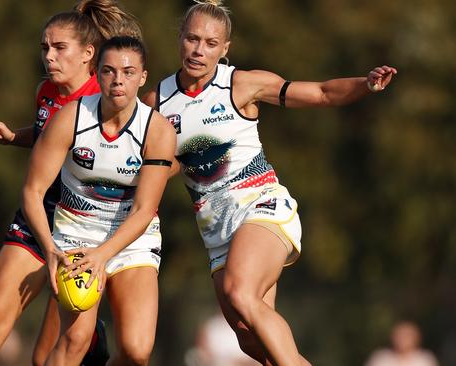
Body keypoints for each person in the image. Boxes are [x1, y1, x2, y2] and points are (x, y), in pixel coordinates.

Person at [142, 1, 397, 365]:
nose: (199, 50)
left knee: (239, 292)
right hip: (215, 230)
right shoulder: (157, 101)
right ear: (179, 38)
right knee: (251, 341)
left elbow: (322, 93)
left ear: (225, 49)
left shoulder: (242, 85)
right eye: (192, 38)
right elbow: (157, 167)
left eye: (211, 43)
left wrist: (366, 85)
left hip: (260, 206)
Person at [0, 2, 142, 365]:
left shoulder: (107, 97)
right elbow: (52, 141)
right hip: (38, 217)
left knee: (48, 356)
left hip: (86, 228)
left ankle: (91, 341)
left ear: (88, 54)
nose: (49, 56)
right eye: (45, 47)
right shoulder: (46, 91)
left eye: (60, 48)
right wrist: (14, 137)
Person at [21, 36, 175, 366]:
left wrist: (103, 256)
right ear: (98, 74)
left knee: (136, 351)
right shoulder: (71, 118)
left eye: (128, 72)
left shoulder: (157, 130)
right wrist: (50, 249)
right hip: (76, 236)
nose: (118, 80)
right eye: (108, 71)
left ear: (143, 77)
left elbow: (144, 209)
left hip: (132, 238)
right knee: (75, 339)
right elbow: (33, 191)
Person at [365, 321, 438, 366]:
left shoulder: (425, 359)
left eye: (407, 336)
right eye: (399, 335)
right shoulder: (380, 358)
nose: (402, 339)